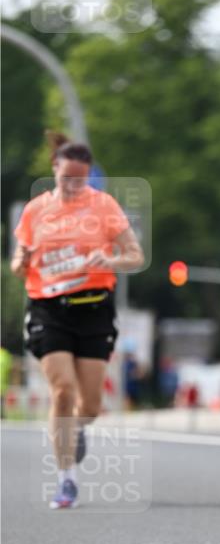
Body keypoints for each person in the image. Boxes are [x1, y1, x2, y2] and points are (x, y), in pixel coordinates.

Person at [11, 132, 144, 508]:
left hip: (94, 309)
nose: (73, 185)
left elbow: (135, 255)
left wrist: (111, 260)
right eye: (67, 177)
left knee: (89, 405)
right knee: (62, 390)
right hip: (49, 308)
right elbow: (19, 264)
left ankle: (78, 427)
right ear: (54, 168)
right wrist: (22, 262)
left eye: (81, 179)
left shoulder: (103, 206)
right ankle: (66, 479)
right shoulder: (36, 210)